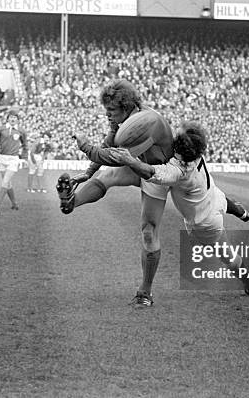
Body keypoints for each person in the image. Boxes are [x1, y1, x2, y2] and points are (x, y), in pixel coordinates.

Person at [56, 79, 174, 308]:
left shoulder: (146, 125)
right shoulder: (123, 121)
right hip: (143, 168)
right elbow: (110, 144)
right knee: (107, 176)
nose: (108, 115)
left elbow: (114, 155)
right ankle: (71, 201)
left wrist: (85, 147)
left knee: (170, 230)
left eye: (111, 111)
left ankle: (145, 292)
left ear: (127, 107)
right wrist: (89, 173)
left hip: (164, 173)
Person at [107, 122, 249, 295]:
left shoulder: (179, 171)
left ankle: (248, 279)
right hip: (211, 194)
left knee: (227, 255)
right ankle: (240, 211)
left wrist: (130, 161)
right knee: (222, 200)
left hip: (205, 220)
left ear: (178, 146)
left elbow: (151, 173)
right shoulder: (196, 153)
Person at [0, 113, 27, 211]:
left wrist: (25, 157)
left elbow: (25, 145)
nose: (12, 119)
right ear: (7, 119)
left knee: (5, 181)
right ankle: (14, 204)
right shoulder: (2, 129)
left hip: (13, 159)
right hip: (2, 158)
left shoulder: (21, 130)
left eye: (14, 117)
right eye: (11, 117)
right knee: (8, 183)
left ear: (18, 120)